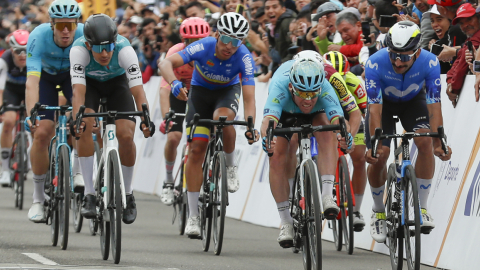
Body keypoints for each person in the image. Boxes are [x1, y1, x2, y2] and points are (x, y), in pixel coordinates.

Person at [158, 13, 259, 237]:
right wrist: (174, 83)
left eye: (237, 41)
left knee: (224, 120)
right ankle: (193, 216)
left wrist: (251, 124)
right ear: (216, 35)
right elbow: (166, 63)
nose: (230, 46)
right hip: (200, 94)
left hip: (226, 93)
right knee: (196, 150)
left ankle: (231, 168)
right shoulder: (203, 46)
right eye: (226, 39)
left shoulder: (244, 57)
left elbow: (250, 98)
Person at [364, 21, 452, 243]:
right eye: (393, 54)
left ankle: (421, 208)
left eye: (404, 57)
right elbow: (374, 107)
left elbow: (434, 105)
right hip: (383, 106)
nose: (397, 61)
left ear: (418, 51)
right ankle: (378, 211)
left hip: (413, 102)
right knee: (380, 155)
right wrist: (375, 143)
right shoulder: (374, 63)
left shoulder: (430, 62)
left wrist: (438, 140)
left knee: (425, 143)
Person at [260, 50, 352, 248]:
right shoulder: (280, 85)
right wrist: (267, 137)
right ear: (292, 87)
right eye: (303, 93)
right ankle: (285, 221)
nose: (308, 99)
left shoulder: (325, 87)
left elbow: (338, 119)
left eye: (313, 93)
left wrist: (344, 135)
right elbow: (268, 120)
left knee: (328, 133)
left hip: (316, 114)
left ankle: (327, 194)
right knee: (276, 155)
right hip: (285, 112)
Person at [70, 14, 154, 224]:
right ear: (89, 45)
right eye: (99, 48)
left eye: (109, 47)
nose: (105, 53)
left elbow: (138, 91)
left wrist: (146, 117)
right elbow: (79, 92)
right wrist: (77, 118)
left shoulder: (125, 50)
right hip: (90, 86)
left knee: (126, 135)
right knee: (86, 124)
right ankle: (89, 194)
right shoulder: (78, 51)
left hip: (118, 84)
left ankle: (128, 193)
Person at [25, 0, 83, 223]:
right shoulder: (38, 36)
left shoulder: (84, 35)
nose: (66, 30)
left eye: (71, 25)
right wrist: (32, 113)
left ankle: (78, 171)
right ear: (52, 25)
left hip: (72, 78)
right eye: (60, 26)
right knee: (41, 133)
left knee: (83, 120)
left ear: (77, 24)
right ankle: (38, 198)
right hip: (46, 80)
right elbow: (32, 82)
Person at [158, 17, 210, 206]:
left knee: (208, 136)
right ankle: (169, 180)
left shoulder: (212, 53)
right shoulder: (175, 53)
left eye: (200, 42)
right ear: (184, 41)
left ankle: (209, 177)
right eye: (191, 42)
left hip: (200, 92)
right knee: (173, 137)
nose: (195, 47)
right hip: (178, 91)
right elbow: (164, 88)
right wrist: (167, 116)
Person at [323, 50, 368, 231]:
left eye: (341, 76)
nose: (338, 81)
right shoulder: (322, 80)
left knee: (359, 159)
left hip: (351, 114)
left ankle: (356, 210)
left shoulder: (354, 82)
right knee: (326, 150)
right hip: (327, 115)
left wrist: (355, 136)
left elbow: (364, 113)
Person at [0, 30, 28, 187]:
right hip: (11, 91)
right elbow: (0, 89)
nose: (22, 55)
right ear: (11, 50)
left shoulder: (35, 58)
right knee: (9, 121)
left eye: (26, 51)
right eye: (18, 51)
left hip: (28, 90)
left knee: (37, 123)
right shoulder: (4, 60)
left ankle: (29, 154)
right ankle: (5, 169)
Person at [446, 3, 480, 107]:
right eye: (461, 23)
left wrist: (453, 87)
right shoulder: (470, 40)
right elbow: (459, 61)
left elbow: (461, 67)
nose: (465, 25)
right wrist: (449, 81)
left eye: (469, 19)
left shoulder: (475, 39)